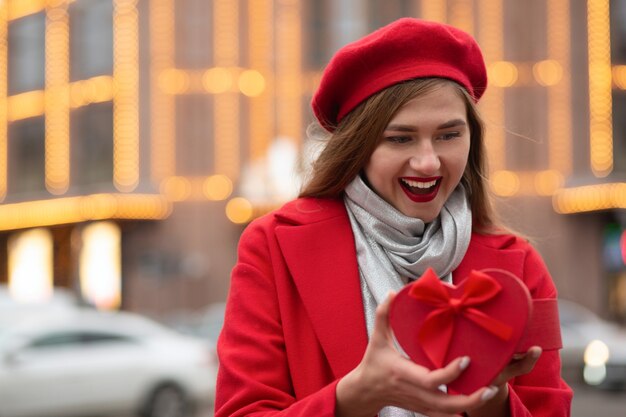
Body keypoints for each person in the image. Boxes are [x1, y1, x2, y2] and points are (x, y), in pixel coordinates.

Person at [215, 18, 573, 417]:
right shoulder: (272, 245)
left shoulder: (519, 265)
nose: (427, 161)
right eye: (399, 138)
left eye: (449, 135)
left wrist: (492, 398)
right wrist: (352, 397)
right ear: (358, 147)